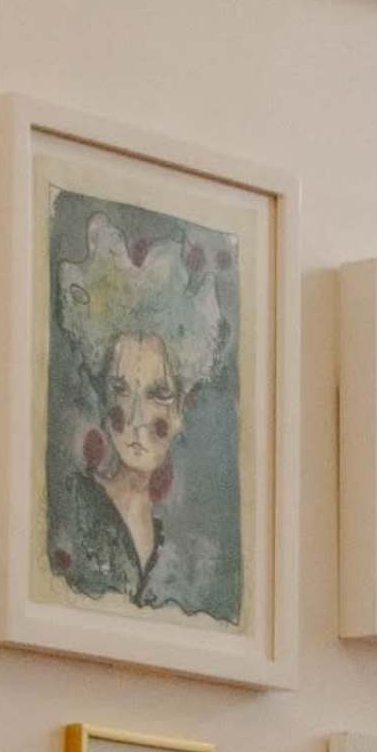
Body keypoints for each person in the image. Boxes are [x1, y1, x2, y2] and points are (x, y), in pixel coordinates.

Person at [42, 204, 241, 617]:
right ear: (102, 399)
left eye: (158, 394)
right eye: (120, 390)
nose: (134, 418)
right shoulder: (74, 511)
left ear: (183, 411)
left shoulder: (185, 549)